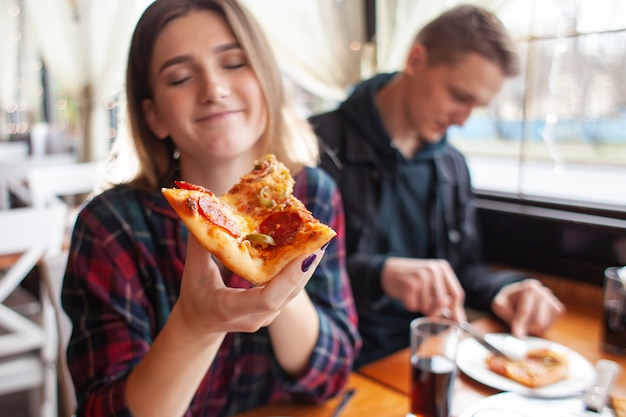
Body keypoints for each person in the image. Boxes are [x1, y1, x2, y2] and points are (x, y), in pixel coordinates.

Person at [61, 1, 360, 416]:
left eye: (234, 63)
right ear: (154, 117)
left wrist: (279, 266)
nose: (214, 89)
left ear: (266, 81)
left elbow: (331, 377)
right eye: (181, 77)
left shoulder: (315, 193)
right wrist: (194, 324)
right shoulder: (109, 226)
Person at [309, 4, 565, 367]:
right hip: (340, 361)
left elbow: (463, 267)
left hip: (431, 356)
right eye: (460, 96)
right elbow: (282, 277)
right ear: (416, 60)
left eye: (477, 106)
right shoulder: (311, 147)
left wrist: (502, 289)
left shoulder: (452, 165)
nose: (463, 120)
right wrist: (380, 275)